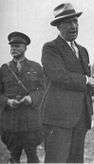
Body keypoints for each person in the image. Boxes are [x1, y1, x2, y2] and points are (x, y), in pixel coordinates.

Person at [41, 3, 94, 163]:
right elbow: (59, 76)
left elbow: (86, 83)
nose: (73, 26)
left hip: (80, 117)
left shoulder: (83, 50)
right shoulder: (50, 48)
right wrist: (88, 80)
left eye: (75, 22)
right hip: (58, 118)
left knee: (75, 160)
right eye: (68, 23)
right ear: (58, 26)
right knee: (57, 160)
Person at [0, 31, 44, 163]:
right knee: (13, 157)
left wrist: (31, 98)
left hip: (30, 122)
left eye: (17, 46)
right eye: (12, 46)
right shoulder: (4, 69)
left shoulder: (36, 67)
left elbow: (42, 90)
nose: (14, 49)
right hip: (10, 123)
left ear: (25, 48)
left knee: (32, 156)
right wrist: (7, 101)